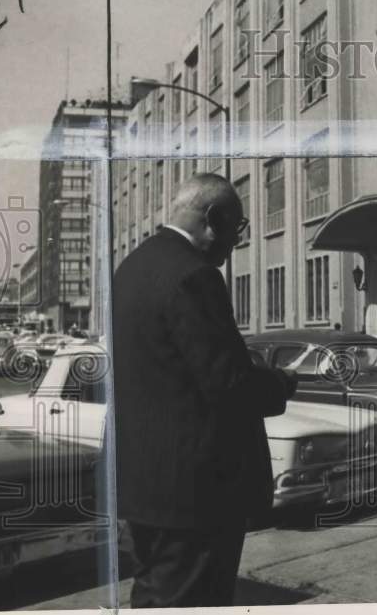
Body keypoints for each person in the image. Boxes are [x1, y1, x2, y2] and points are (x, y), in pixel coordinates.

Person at [113, 173, 297, 608]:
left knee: (156, 594)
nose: (235, 241)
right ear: (213, 219)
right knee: (192, 598)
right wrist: (279, 383)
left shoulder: (132, 267)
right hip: (195, 496)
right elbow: (228, 384)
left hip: (144, 488)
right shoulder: (195, 276)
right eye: (237, 227)